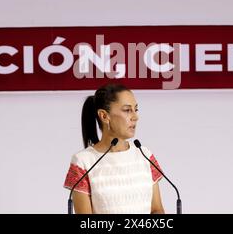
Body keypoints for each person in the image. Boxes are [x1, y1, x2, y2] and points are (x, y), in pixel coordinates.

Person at [63, 82, 165, 214]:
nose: (135, 117)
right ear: (104, 116)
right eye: (127, 110)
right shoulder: (83, 161)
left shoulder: (144, 154)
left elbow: (157, 210)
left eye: (136, 109)